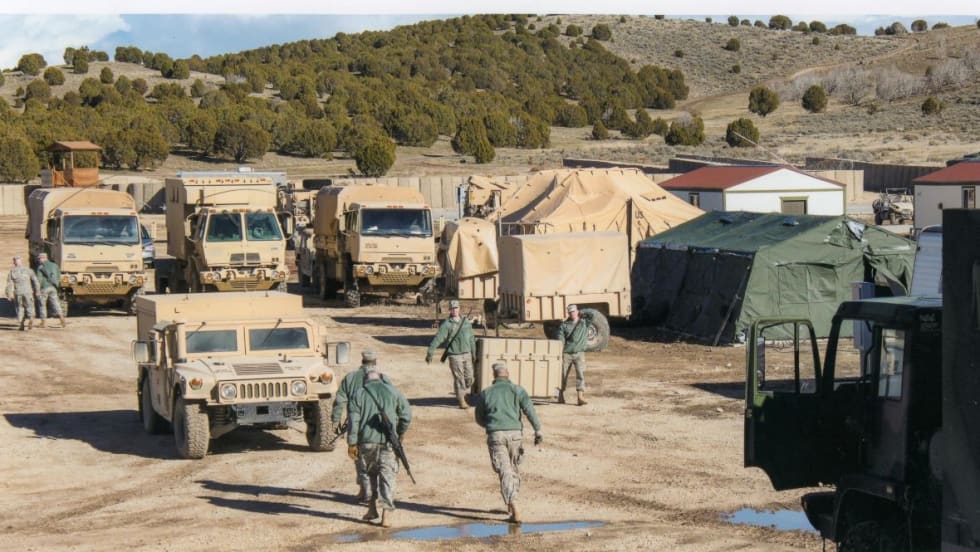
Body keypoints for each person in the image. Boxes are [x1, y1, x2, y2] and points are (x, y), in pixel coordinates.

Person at [474, 361, 543, 524]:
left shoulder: (486, 393)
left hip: (496, 435)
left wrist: (491, 425)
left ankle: (514, 504)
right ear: (508, 374)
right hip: (515, 435)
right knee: (513, 468)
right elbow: (529, 410)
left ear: (494, 375)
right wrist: (538, 430)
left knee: (504, 469)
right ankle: (513, 502)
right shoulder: (518, 390)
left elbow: (479, 417)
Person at [347, 363, 412, 528]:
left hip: (366, 443)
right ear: (380, 376)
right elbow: (406, 414)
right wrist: (400, 432)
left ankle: (371, 509)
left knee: (369, 475)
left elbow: (353, 422)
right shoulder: (393, 391)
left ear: (365, 378)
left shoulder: (358, 394)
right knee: (387, 477)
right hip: (388, 443)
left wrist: (352, 443)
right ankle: (386, 515)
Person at [331, 349, 390, 503]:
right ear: (375, 363)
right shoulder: (383, 379)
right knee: (382, 462)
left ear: (362, 362)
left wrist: (335, 420)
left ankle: (366, 491)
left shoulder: (350, 377)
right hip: (381, 428)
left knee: (360, 460)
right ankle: (369, 492)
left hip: (357, 426)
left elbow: (339, 400)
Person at [425, 299, 477, 409]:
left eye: (456, 308)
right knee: (459, 378)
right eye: (452, 308)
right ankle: (461, 400)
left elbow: (472, 338)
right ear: (450, 310)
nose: (454, 310)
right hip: (454, 355)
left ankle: (460, 392)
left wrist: (474, 353)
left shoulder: (466, 322)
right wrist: (431, 351)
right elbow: (438, 339)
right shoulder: (447, 325)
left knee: (470, 378)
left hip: (467, 353)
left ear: (459, 308)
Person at [557, 304, 590, 406]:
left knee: (580, 374)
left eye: (574, 311)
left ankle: (580, 396)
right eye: (570, 312)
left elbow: (593, 315)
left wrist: (584, 312)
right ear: (568, 313)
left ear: (577, 311)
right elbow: (560, 339)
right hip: (567, 354)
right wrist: (560, 350)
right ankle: (560, 395)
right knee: (563, 375)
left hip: (579, 353)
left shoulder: (584, 323)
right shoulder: (564, 325)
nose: (572, 314)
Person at [5, 256, 40, 331]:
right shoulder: (28, 270)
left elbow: (9, 284)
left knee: (19, 308)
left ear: (14, 262)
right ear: (21, 261)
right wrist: (37, 290)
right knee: (29, 306)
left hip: (18, 292)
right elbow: (35, 281)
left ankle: (21, 323)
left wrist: (9, 294)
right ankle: (31, 318)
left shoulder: (12, 271)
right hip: (28, 291)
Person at [34, 253, 66, 328]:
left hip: (44, 288)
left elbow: (39, 279)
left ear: (43, 258)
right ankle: (62, 320)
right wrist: (56, 285)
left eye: (39, 259)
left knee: (42, 305)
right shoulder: (55, 265)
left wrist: (37, 290)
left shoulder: (41, 267)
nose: (39, 260)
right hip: (53, 288)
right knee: (56, 304)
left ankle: (43, 322)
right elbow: (58, 276)